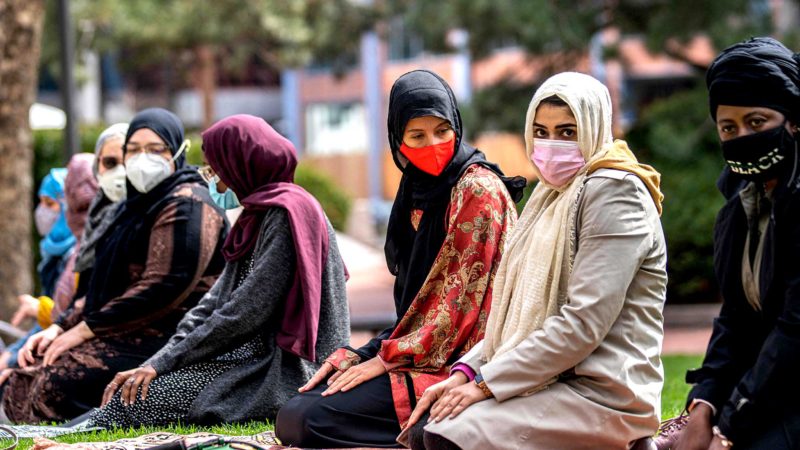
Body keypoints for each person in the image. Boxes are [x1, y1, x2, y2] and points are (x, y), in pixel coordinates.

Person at [405, 72, 667, 450]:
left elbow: (582, 323)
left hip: (601, 391)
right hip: (552, 376)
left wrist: (486, 384)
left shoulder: (615, 192)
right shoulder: (551, 195)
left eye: (567, 131)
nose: (550, 144)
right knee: (427, 426)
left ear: (594, 127)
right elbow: (517, 314)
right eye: (541, 131)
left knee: (445, 437)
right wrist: (467, 373)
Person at [276, 69, 525, 448]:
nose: (433, 144)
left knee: (308, 420)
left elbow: (456, 311)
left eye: (442, 131)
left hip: (466, 363)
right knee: (295, 412)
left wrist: (384, 358)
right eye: (417, 136)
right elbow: (417, 309)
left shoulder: (478, 190)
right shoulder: (415, 190)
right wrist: (368, 351)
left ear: (457, 125)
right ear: (398, 139)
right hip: (415, 351)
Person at [89, 114, 350, 427]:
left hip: (284, 369)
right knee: (140, 388)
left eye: (215, 170)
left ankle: (74, 430)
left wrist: (165, 363)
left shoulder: (287, 213)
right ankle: (73, 428)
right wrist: (163, 359)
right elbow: (214, 302)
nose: (212, 181)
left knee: (141, 399)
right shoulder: (257, 214)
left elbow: (246, 311)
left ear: (241, 165)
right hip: (249, 357)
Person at [1, 108, 227, 424]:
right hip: (122, 327)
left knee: (58, 381)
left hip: (170, 335)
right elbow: (102, 289)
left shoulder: (188, 202)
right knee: (36, 359)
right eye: (132, 150)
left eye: (155, 149)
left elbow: (164, 286)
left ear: (176, 151)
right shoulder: (131, 208)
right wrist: (60, 326)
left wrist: (83, 330)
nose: (141, 159)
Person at [673, 37, 800, 450]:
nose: (741, 136)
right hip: (770, 387)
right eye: (729, 127)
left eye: (757, 122)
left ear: (794, 121)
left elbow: (794, 331)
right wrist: (704, 404)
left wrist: (730, 426)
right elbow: (737, 319)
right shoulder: (738, 208)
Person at [0, 168, 76, 370]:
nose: (42, 211)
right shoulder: (53, 254)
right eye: (41, 202)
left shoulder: (78, 255)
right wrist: (11, 354)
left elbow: (75, 316)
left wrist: (10, 360)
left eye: (50, 204)